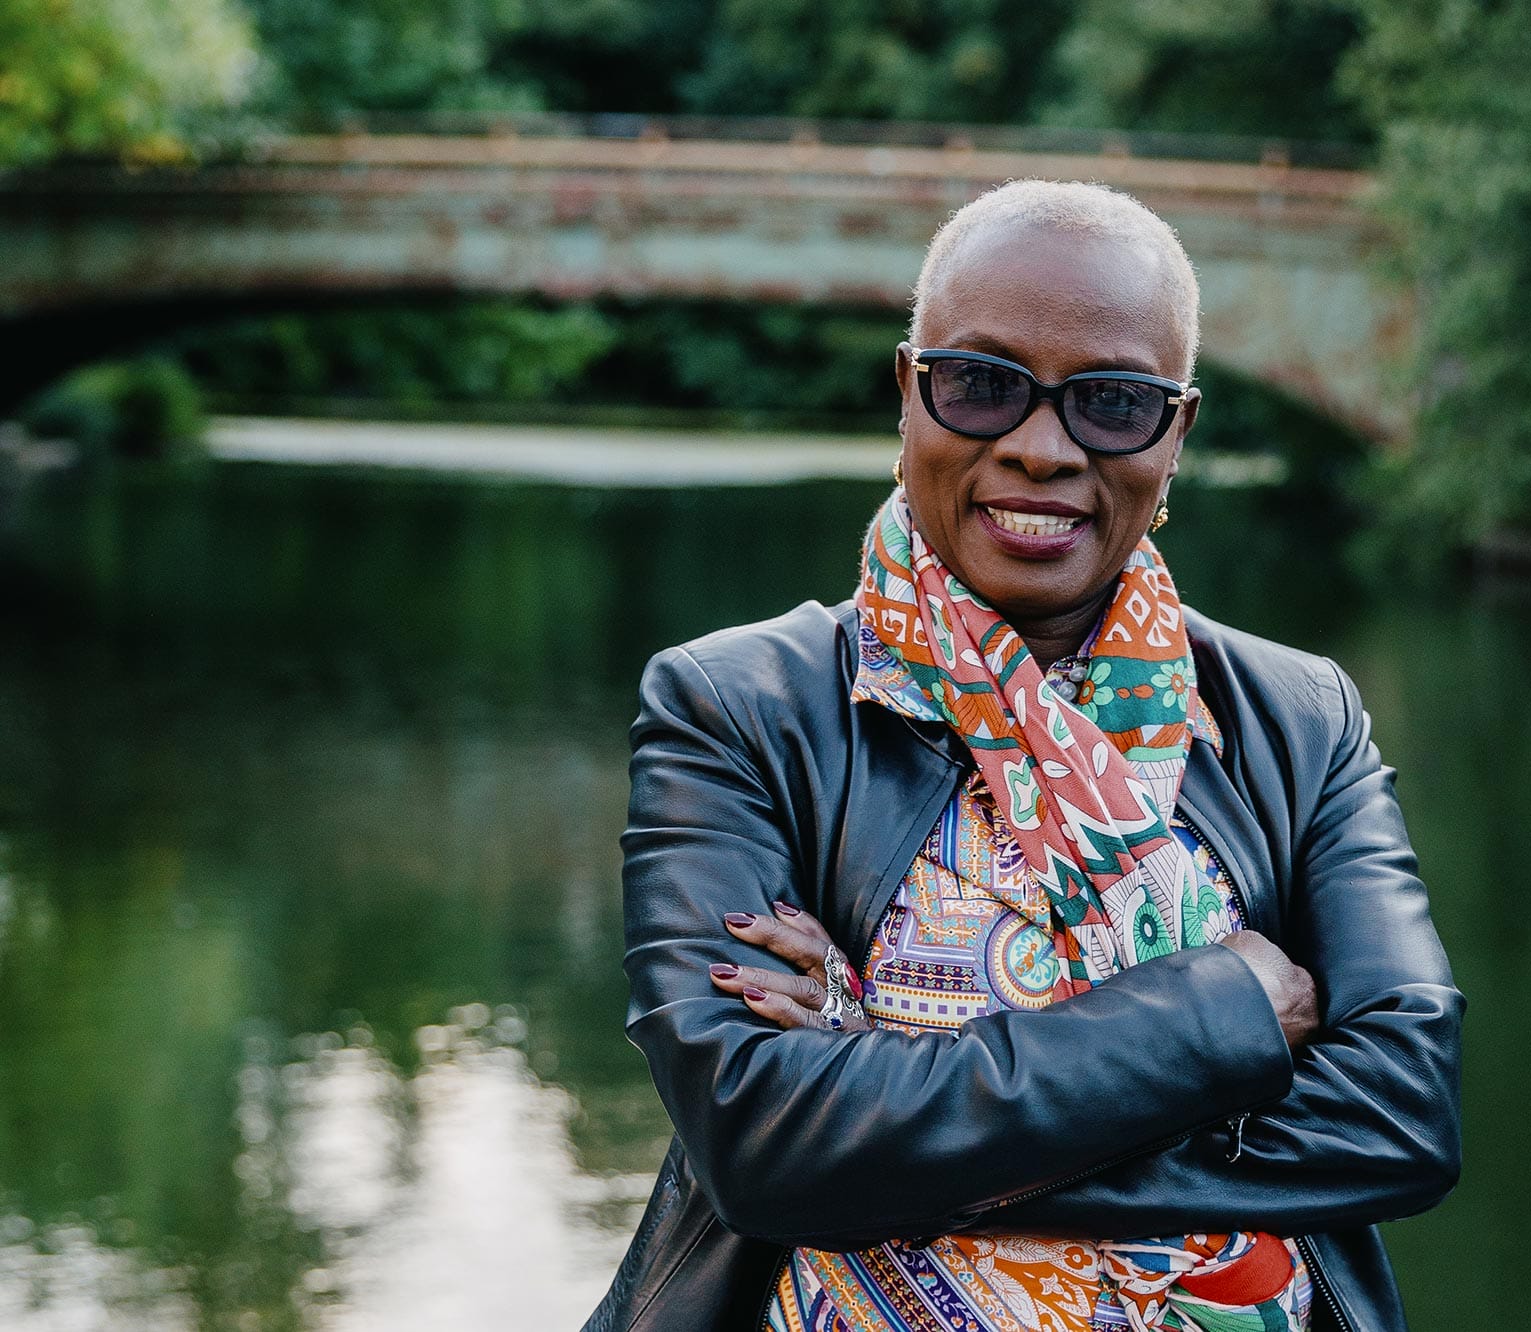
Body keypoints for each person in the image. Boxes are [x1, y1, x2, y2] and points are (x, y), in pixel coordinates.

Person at [586, 180, 1462, 1332]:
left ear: (1176, 433)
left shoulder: (1296, 717)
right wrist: (1216, 1014)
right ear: (909, 392)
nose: (1040, 448)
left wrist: (879, 1094)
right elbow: (763, 1146)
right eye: (980, 385)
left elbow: (1399, 1120)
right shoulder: (738, 706)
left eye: (1111, 403)